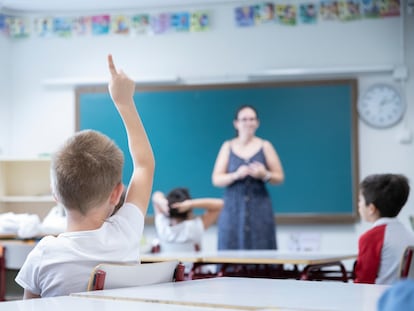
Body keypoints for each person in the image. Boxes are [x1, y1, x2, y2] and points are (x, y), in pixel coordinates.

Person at [15, 54, 155, 298]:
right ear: (116, 193)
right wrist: (124, 102)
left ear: (55, 194)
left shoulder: (44, 254)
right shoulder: (125, 233)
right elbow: (144, 165)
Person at [211, 105, 284, 250]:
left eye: (252, 119)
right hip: (232, 208)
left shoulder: (265, 145)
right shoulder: (227, 146)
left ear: (257, 123)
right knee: (230, 249)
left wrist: (265, 175)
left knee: (262, 248)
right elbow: (216, 179)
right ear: (236, 123)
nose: (248, 123)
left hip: (260, 208)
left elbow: (279, 177)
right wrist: (236, 175)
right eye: (244, 119)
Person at [354, 173, 414, 284]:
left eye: (360, 200)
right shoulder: (409, 234)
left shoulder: (370, 238)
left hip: (379, 298)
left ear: (371, 208)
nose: (358, 205)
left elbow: (363, 281)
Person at [152, 188, 223, 251]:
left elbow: (156, 195)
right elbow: (221, 204)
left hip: (168, 266)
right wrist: (191, 204)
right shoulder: (194, 228)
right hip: (190, 266)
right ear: (190, 210)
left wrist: (163, 202)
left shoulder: (162, 227)